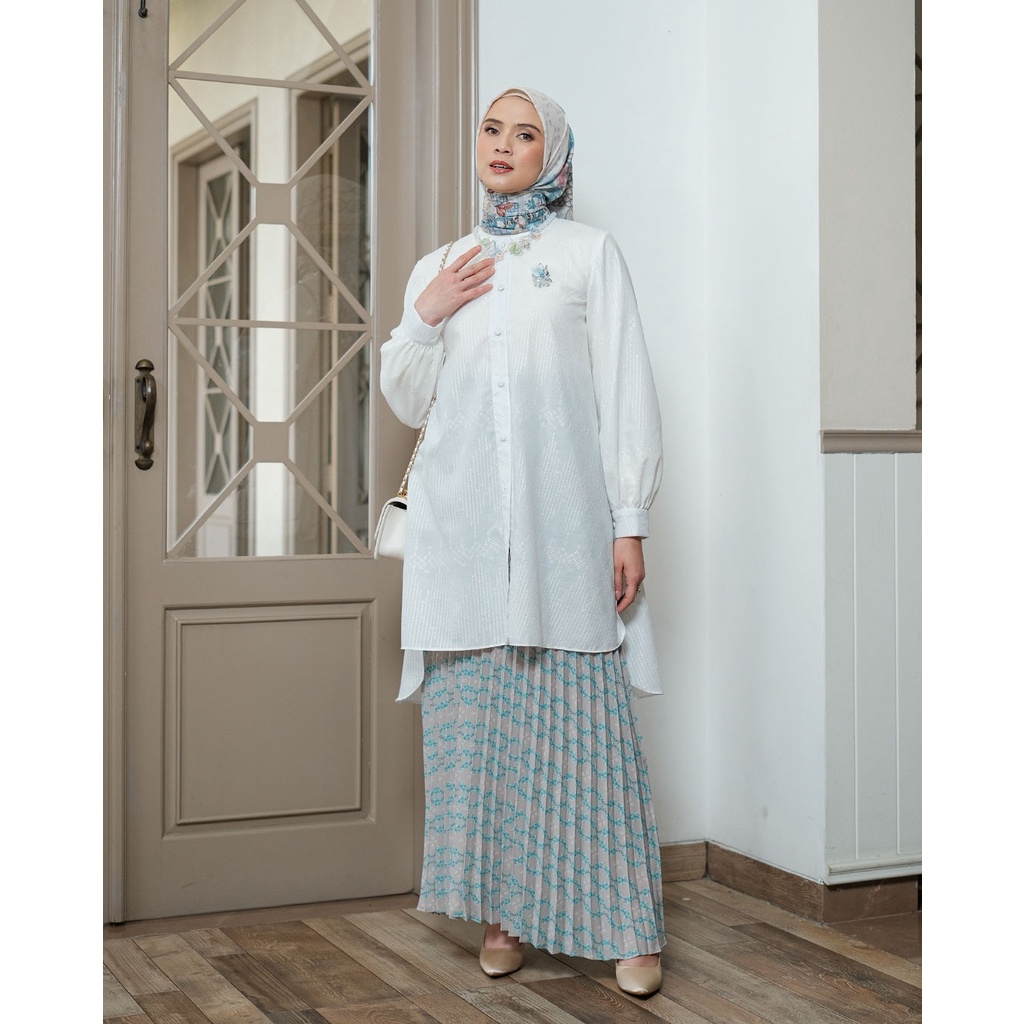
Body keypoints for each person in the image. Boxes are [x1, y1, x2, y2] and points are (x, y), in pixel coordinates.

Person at [380, 87, 666, 998]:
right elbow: (406, 398)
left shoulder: (587, 255)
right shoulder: (442, 263)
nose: (503, 144)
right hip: (461, 542)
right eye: (492, 128)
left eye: (526, 133)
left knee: (587, 741)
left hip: (563, 536)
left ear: (555, 154)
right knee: (480, 741)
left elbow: (625, 390)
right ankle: (502, 914)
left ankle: (629, 929)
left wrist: (629, 521)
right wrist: (426, 311)